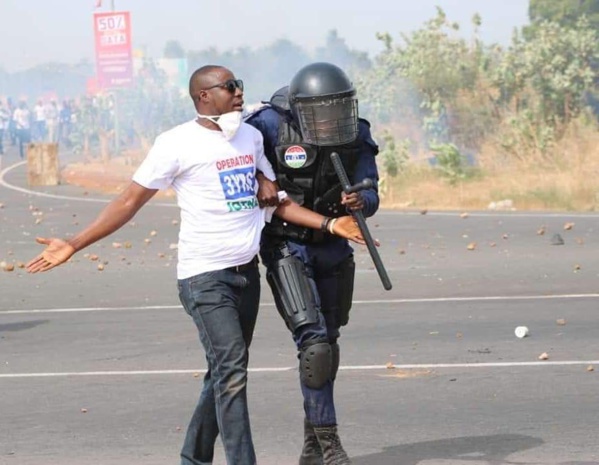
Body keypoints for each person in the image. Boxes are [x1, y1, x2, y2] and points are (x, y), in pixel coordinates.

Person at [26, 65, 368, 465]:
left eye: (240, 84)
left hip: (245, 276)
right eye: (229, 87)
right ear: (203, 96)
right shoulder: (176, 143)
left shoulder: (251, 137)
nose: (239, 92)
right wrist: (74, 242)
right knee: (234, 372)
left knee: (222, 374)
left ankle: (193, 457)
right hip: (204, 278)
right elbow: (128, 202)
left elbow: (278, 204)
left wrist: (330, 222)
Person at [246, 62, 380, 465]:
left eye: (337, 110)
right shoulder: (268, 124)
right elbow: (231, 155)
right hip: (288, 244)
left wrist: (361, 201)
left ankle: (312, 443)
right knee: (314, 343)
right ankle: (331, 442)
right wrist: (258, 178)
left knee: (330, 342)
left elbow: (371, 190)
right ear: (299, 109)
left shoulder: (357, 133)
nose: (330, 120)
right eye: (320, 112)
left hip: (334, 245)